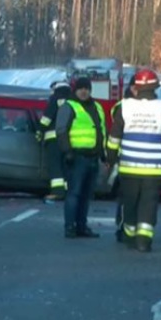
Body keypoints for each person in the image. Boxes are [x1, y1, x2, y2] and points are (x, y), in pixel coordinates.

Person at [106, 69, 161, 252]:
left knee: (130, 202)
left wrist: (111, 158)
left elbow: (114, 137)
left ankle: (129, 236)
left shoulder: (125, 106)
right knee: (148, 204)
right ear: (155, 87)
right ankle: (143, 241)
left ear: (136, 87)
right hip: (153, 169)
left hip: (129, 167)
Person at [55, 77, 107, 238]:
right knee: (74, 193)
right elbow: (61, 130)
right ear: (75, 90)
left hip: (93, 158)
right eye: (81, 88)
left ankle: (82, 226)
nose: (84, 91)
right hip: (77, 157)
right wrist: (67, 151)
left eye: (87, 88)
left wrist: (103, 153)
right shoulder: (68, 106)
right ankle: (70, 227)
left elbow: (101, 130)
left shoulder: (97, 106)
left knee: (86, 195)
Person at [37, 81, 72, 202]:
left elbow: (47, 118)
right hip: (69, 140)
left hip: (53, 139)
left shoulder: (55, 98)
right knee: (65, 166)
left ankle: (57, 192)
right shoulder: (73, 101)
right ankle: (68, 191)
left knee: (55, 165)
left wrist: (39, 130)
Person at [112, 74, 136, 239]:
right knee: (125, 195)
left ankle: (133, 229)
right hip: (126, 156)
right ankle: (122, 227)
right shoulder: (122, 106)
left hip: (143, 156)